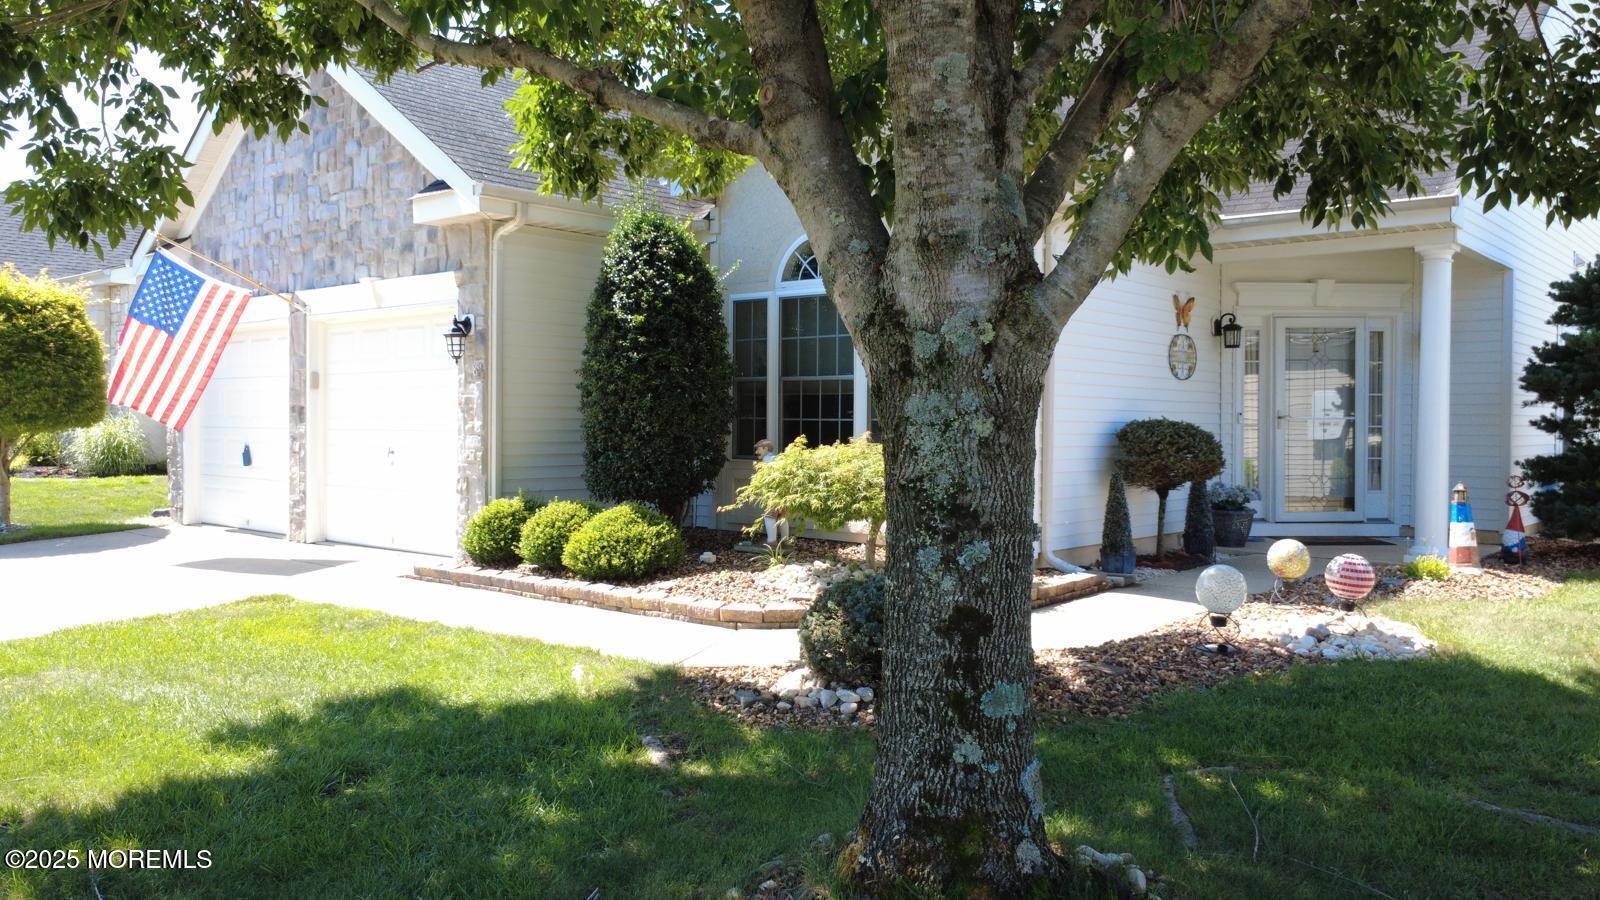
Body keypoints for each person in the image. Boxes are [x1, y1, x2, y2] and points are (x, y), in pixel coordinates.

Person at [752, 438, 790, 546]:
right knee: (782, 516)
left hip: (773, 493)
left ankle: (771, 542)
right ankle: (785, 541)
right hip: (783, 492)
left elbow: (767, 477)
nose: (756, 452)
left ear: (765, 448)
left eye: (758, 449)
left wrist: (757, 468)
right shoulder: (776, 458)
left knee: (769, 516)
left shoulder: (768, 460)